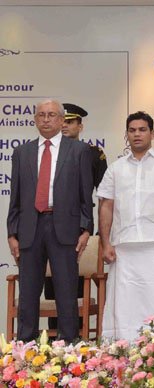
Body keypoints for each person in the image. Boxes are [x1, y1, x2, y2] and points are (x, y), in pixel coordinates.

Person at [7, 99, 93, 342]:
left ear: (61, 119)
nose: (46, 119)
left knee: (66, 290)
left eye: (52, 115)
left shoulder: (78, 151)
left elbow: (85, 195)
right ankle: (26, 345)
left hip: (64, 227)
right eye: (41, 115)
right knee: (29, 291)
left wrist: (86, 228)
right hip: (29, 228)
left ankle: (68, 345)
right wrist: (12, 233)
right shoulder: (22, 152)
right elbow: (16, 197)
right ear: (35, 119)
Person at [97, 111, 154, 341]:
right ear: (126, 135)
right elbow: (105, 206)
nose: (137, 134)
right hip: (123, 247)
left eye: (142, 129)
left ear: (152, 134)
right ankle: (121, 351)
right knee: (122, 303)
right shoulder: (115, 168)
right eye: (132, 130)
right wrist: (105, 243)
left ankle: (153, 353)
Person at [61, 103, 107, 189]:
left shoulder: (93, 153)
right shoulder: (49, 151)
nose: (64, 126)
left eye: (69, 122)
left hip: (83, 202)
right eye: (61, 122)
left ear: (80, 127)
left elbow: (103, 191)